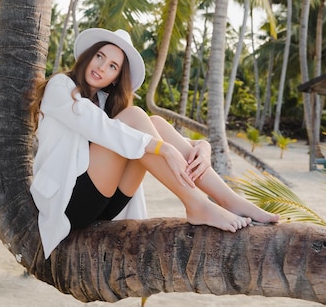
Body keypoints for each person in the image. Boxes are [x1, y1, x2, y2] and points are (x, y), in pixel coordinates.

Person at [30, 28, 279, 259]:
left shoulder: (106, 103)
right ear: (88, 56)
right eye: (99, 56)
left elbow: (147, 135)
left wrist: (202, 146)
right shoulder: (61, 86)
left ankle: (229, 200)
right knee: (137, 117)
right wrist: (163, 149)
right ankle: (197, 204)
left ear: (116, 78)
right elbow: (99, 127)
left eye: (112, 65)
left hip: (104, 203)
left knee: (155, 122)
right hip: (68, 201)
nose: (102, 67)